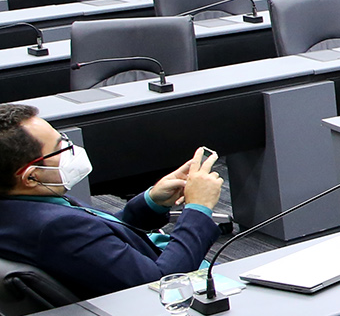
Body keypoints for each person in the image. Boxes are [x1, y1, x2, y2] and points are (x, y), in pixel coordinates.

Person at [0, 104, 223, 299]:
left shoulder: (21, 205)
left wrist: (151, 202)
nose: (70, 148)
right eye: (60, 147)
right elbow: (161, 282)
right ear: (31, 177)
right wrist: (198, 208)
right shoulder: (57, 228)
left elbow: (98, 241)